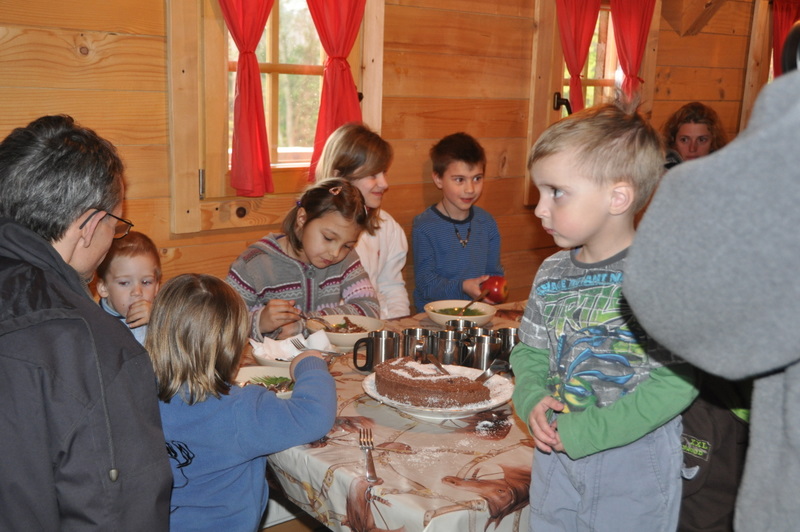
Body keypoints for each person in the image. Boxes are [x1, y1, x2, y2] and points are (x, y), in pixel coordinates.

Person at [510, 100, 698, 531]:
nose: (539, 208)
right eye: (540, 191)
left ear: (617, 197)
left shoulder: (662, 276)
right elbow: (530, 352)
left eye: (556, 192)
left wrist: (587, 433)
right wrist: (531, 397)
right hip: (555, 455)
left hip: (633, 464)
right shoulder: (551, 271)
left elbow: (677, 384)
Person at [624, 69, 800, 532]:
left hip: (729, 393)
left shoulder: (728, 189)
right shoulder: (672, 183)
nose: (693, 148)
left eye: (702, 140)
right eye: (685, 139)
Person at [0, 115, 171, 530]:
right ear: (91, 225)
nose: (113, 237)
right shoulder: (98, 347)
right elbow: (120, 513)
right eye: (116, 225)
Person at [146, 273, 336, 531]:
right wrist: (309, 364)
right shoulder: (240, 408)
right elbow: (315, 415)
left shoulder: (133, 396)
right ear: (233, 348)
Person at [227, 178, 379, 340]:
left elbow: (370, 309)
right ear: (302, 218)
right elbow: (222, 324)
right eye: (328, 238)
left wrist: (306, 324)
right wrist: (259, 323)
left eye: (347, 245)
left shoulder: (346, 259)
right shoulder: (253, 264)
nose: (336, 253)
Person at [316, 122, 410, 319]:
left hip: (380, 326)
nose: (384, 184)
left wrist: (398, 325)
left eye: (384, 172)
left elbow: (392, 287)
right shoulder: (316, 232)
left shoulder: (386, 225)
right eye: (372, 175)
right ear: (339, 177)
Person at [412, 132, 503, 312]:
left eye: (477, 178)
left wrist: (494, 290)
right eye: (459, 180)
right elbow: (426, 285)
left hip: (477, 315)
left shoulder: (487, 223)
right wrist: (463, 286)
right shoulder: (424, 226)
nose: (470, 189)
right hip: (436, 317)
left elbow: (494, 274)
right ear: (438, 179)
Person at [96, 230, 162, 344]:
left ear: (156, 287)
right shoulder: (94, 325)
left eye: (146, 282)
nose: (137, 292)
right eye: (124, 283)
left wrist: (158, 319)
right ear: (103, 288)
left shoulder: (162, 317)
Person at [662, 101, 728, 168]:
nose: (692, 149)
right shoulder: (662, 172)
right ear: (673, 142)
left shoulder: (725, 170)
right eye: (684, 140)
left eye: (701, 140)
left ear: (713, 143)